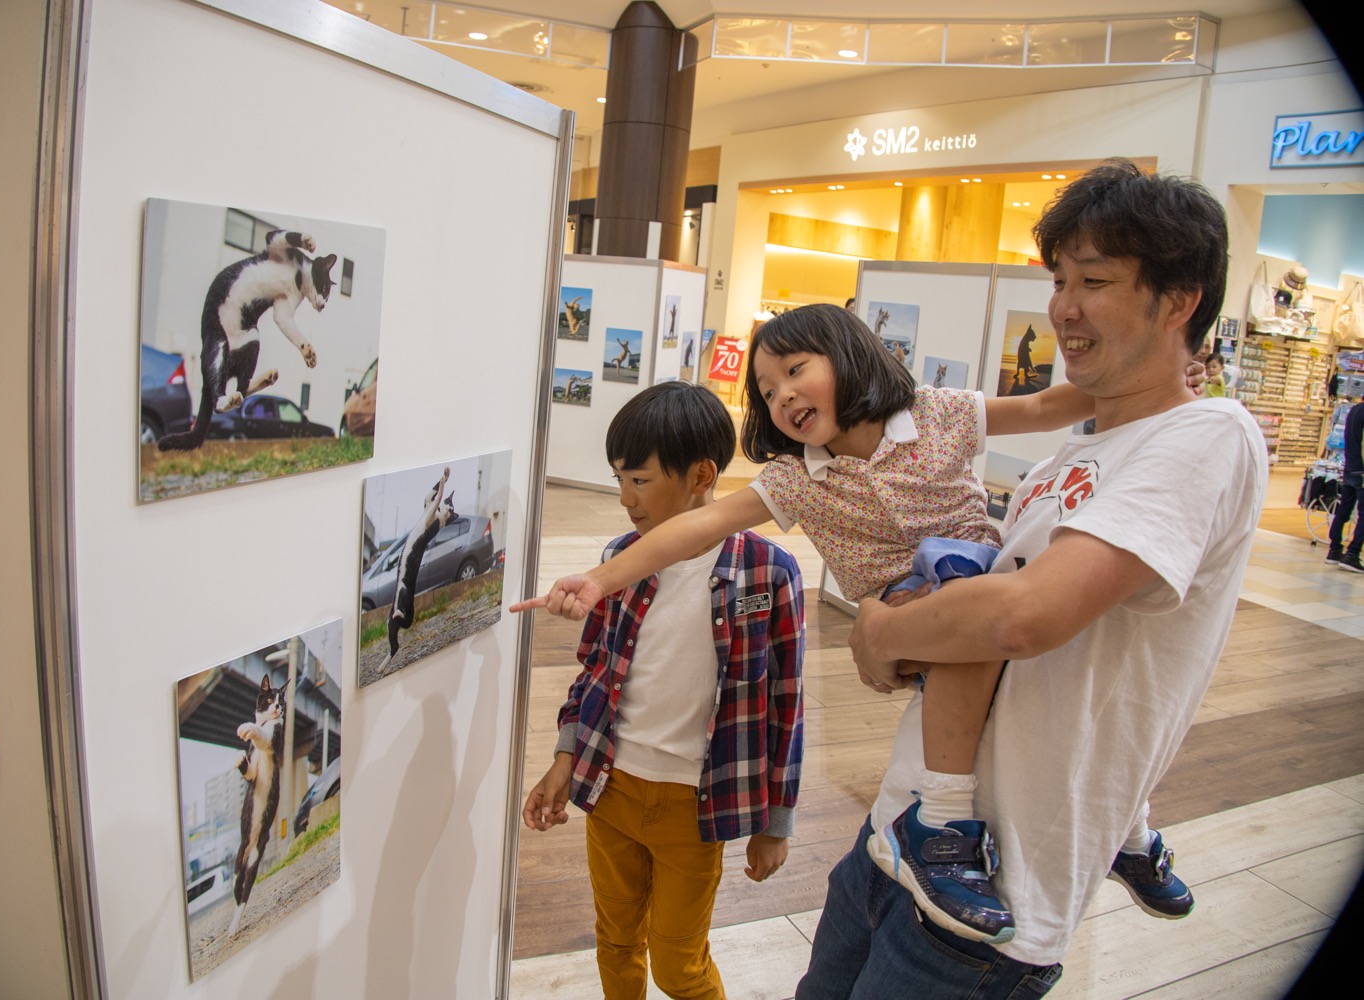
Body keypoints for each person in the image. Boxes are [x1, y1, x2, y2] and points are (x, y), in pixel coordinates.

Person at [514, 300, 1145, 944]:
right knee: (996, 689)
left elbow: (1040, 410)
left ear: (848, 356)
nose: (783, 394)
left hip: (973, 578)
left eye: (795, 370)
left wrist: (1136, 386)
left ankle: (1123, 823)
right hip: (909, 613)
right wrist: (598, 581)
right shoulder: (796, 479)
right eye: (766, 390)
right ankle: (959, 821)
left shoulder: (937, 414)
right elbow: (698, 528)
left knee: (1057, 684)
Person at [817, 159, 1266, 998]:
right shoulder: (1083, 447)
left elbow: (1025, 616)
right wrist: (921, 622)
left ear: (1179, 302)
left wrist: (878, 629)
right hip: (899, 838)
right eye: (1060, 278)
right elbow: (983, 609)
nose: (1064, 305)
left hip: (997, 897)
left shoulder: (1209, 436)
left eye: (1094, 280)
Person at [519, 381, 805, 1000]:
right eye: (619, 479)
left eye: (640, 481)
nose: (625, 499)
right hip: (612, 789)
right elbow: (594, 670)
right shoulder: (620, 560)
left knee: (680, 965)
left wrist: (775, 821)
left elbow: (786, 705)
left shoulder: (767, 572)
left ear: (701, 474)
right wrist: (564, 760)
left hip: (695, 806)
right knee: (616, 944)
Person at [1326, 397, 1364, 572]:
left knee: (1343, 510)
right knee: (1363, 515)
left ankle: (1334, 550)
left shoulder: (1354, 410)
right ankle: (1352, 554)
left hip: (1349, 466)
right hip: (1361, 470)